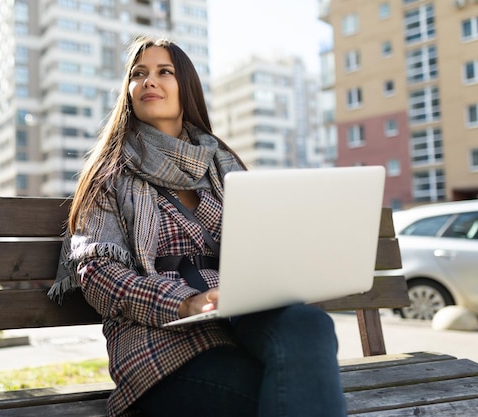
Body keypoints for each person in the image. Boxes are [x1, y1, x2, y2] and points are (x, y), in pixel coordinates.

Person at [48, 36, 347, 417]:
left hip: (239, 319)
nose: (148, 81)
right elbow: (98, 275)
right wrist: (185, 302)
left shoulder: (223, 164)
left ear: (186, 87)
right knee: (286, 393)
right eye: (138, 74)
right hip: (158, 341)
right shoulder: (108, 176)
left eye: (164, 72)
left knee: (310, 325)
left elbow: (261, 246)